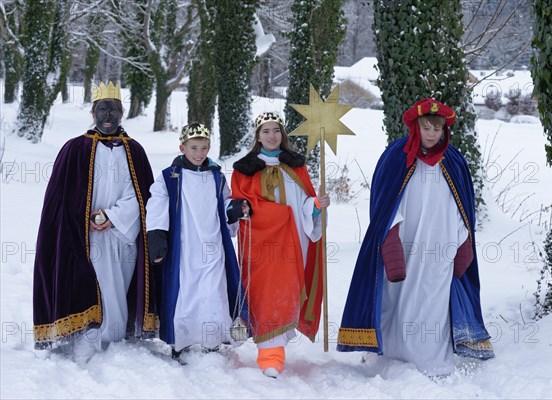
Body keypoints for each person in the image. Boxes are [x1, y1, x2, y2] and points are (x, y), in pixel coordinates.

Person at [337, 98, 494, 376]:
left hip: (440, 246)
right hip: (404, 244)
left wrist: (462, 240)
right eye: (427, 128)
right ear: (415, 127)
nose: (433, 134)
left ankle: (430, 359)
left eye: (438, 129)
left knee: (433, 300)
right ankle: (388, 355)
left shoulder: (454, 160)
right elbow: (384, 203)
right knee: (394, 298)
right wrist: (391, 236)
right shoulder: (397, 156)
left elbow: (463, 208)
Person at [33, 82, 157, 363]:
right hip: (85, 237)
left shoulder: (134, 151)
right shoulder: (74, 149)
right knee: (93, 283)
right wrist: (85, 217)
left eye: (113, 109)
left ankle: (114, 336)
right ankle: (89, 337)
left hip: (122, 235)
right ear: (93, 112)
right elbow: (60, 198)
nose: (108, 115)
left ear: (122, 113)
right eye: (103, 109)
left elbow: (142, 196)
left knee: (119, 286)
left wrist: (111, 217)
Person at [231, 111, 330, 378]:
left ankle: (277, 352)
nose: (272, 136)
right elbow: (238, 209)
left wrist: (317, 206)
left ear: (283, 135)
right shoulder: (244, 169)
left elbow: (305, 204)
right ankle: (270, 356)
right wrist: (270, 215)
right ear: (257, 136)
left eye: (276, 131)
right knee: (265, 294)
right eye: (266, 131)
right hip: (261, 245)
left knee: (288, 290)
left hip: (295, 242)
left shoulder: (296, 166)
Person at [145, 123, 250, 364]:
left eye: (204, 148)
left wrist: (235, 209)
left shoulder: (216, 176)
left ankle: (211, 341)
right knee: (187, 293)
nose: (199, 153)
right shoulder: (169, 177)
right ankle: (180, 342)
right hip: (185, 246)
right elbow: (157, 206)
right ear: (182, 147)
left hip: (213, 244)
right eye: (194, 147)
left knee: (213, 291)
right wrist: (158, 238)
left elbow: (224, 203)